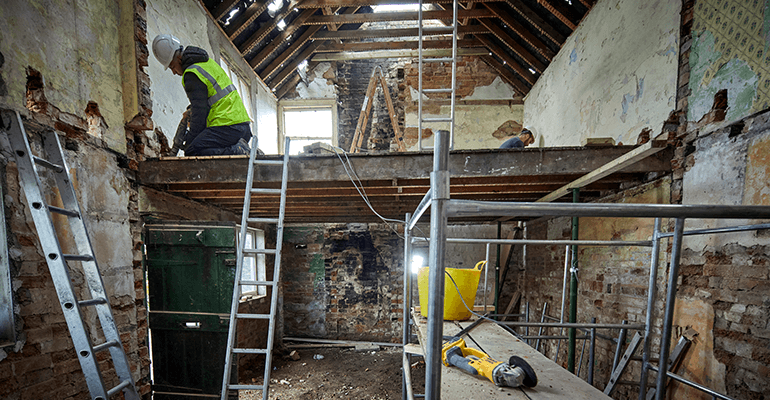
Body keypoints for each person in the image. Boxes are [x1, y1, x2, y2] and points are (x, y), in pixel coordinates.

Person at [152, 34, 252, 156]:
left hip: (227, 125)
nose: (173, 72)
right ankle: (240, 148)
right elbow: (206, 102)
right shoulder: (206, 62)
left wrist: (190, 140)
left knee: (193, 151)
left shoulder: (191, 74)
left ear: (178, 58)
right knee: (197, 146)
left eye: (172, 66)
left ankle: (239, 151)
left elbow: (200, 112)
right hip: (241, 127)